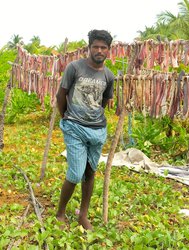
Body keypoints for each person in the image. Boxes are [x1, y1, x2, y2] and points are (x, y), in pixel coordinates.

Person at [55, 29, 115, 230]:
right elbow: (60, 96)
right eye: (96, 46)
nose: (99, 50)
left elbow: (104, 102)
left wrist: (93, 118)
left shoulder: (108, 75)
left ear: (108, 50)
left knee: (90, 172)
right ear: (89, 48)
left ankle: (83, 215)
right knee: (75, 172)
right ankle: (60, 214)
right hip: (74, 127)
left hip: (97, 130)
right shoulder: (75, 68)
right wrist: (67, 118)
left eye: (103, 47)